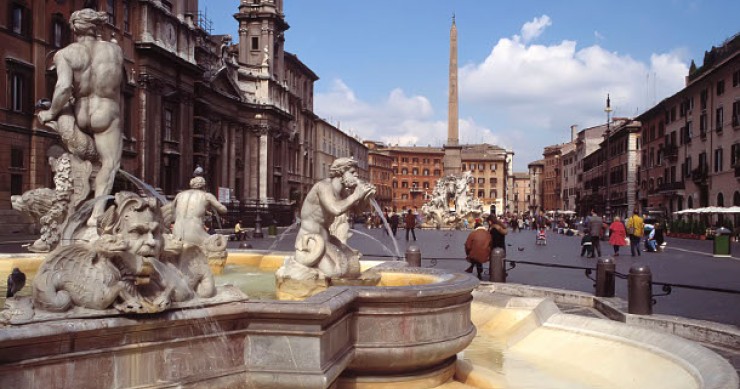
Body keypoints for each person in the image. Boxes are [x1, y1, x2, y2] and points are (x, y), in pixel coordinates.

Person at [37, 9, 124, 228]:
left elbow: (64, 87)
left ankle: (75, 207)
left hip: (81, 113)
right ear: (96, 27)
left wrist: (51, 113)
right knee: (110, 163)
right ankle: (96, 215)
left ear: (74, 29)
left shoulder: (65, 54)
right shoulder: (115, 51)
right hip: (106, 112)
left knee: (80, 158)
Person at [171, 176, 228, 247]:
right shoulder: (207, 196)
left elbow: (171, 209)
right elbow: (223, 210)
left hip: (176, 233)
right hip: (194, 234)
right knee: (219, 242)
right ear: (203, 186)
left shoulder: (179, 195)